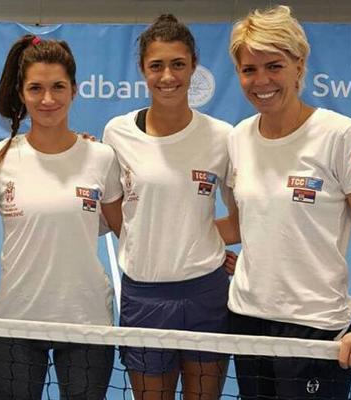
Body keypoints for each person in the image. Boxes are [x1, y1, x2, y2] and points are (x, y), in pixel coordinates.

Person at [225, 5, 351, 399]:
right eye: (249, 69)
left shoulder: (339, 135)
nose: (261, 80)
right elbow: (241, 223)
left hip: (315, 326)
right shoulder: (238, 137)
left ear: (299, 66)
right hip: (246, 319)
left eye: (274, 66)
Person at [0, 35, 123, 400]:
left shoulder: (101, 157)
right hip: (16, 322)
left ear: (74, 89)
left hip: (86, 321)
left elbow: (128, 230)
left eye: (58, 86)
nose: (48, 99)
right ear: (21, 92)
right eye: (36, 88)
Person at [102, 14, 236, 400]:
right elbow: (115, 210)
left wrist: (197, 240)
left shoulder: (222, 137)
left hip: (206, 293)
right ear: (143, 69)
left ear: (194, 66)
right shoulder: (117, 132)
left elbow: (244, 220)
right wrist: (153, 239)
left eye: (178, 64)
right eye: (156, 65)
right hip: (144, 297)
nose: (167, 76)